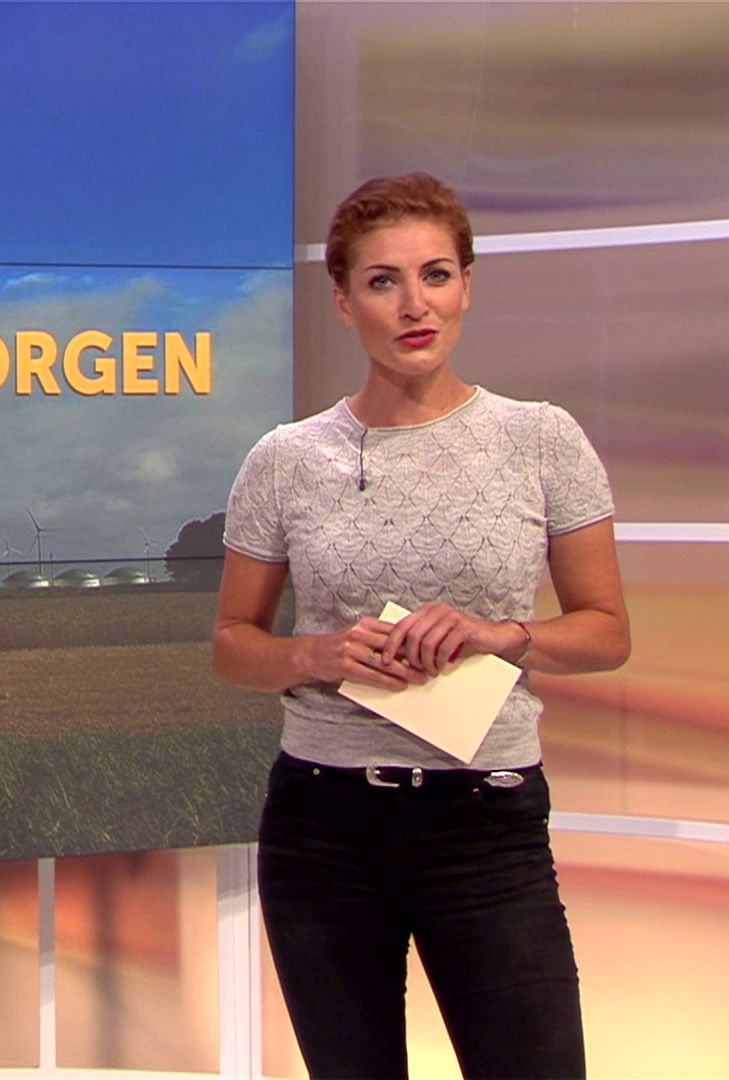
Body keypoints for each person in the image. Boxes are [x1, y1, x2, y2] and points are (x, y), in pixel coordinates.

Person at [212, 172, 631, 1079]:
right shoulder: (286, 459)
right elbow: (233, 645)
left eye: (436, 275)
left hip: (484, 823)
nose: (414, 305)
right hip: (323, 827)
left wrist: (502, 635)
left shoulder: (542, 440)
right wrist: (316, 653)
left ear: (467, 286)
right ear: (343, 300)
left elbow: (606, 632)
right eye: (383, 281)